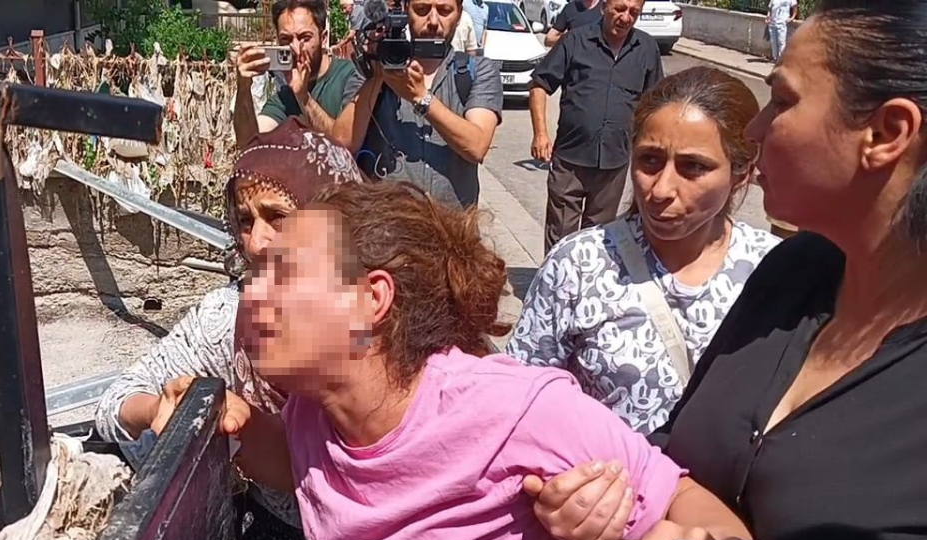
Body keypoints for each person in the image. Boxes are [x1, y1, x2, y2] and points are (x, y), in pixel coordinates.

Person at [193, 179, 750, 540]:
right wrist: (214, 416)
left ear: (372, 298)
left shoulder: (512, 410)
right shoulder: (315, 414)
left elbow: (701, 515)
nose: (252, 293)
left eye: (283, 275)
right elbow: (298, 464)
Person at [523, 2, 927, 540]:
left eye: (782, 100)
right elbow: (678, 453)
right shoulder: (794, 272)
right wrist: (619, 494)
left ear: (886, 133)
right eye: (650, 160)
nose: (758, 129)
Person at [94, 119, 383, 540]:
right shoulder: (227, 319)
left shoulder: (380, 314)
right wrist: (160, 410)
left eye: (278, 218)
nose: (255, 242)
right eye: (244, 221)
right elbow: (115, 403)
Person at [508, 67, 780, 434]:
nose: (661, 189)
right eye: (649, 159)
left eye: (693, 167)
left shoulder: (774, 271)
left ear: (742, 172)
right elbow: (520, 402)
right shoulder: (578, 265)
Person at [332, 0, 503, 207]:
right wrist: (378, 75)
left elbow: (477, 146)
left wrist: (421, 97)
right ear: (406, 10)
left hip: (453, 224)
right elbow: (341, 144)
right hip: (386, 222)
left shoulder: (478, 70)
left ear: (459, 14)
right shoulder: (373, 68)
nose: (433, 21)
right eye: (422, 10)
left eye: (444, 11)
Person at [529, 0, 664, 253]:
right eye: (620, 9)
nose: (626, 17)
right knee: (561, 235)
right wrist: (540, 134)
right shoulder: (575, 41)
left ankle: (586, 278)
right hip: (570, 158)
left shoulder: (646, 48)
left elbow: (656, 104)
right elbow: (539, 85)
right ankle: (556, 277)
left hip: (614, 161)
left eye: (634, 12)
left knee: (598, 238)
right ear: (604, 7)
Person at [234, 0, 363, 149]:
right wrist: (243, 87)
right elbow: (248, 143)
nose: (295, 48)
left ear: (323, 38)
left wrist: (304, 98)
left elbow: (343, 145)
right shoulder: (286, 96)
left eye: (305, 38)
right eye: (286, 40)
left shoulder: (350, 76)